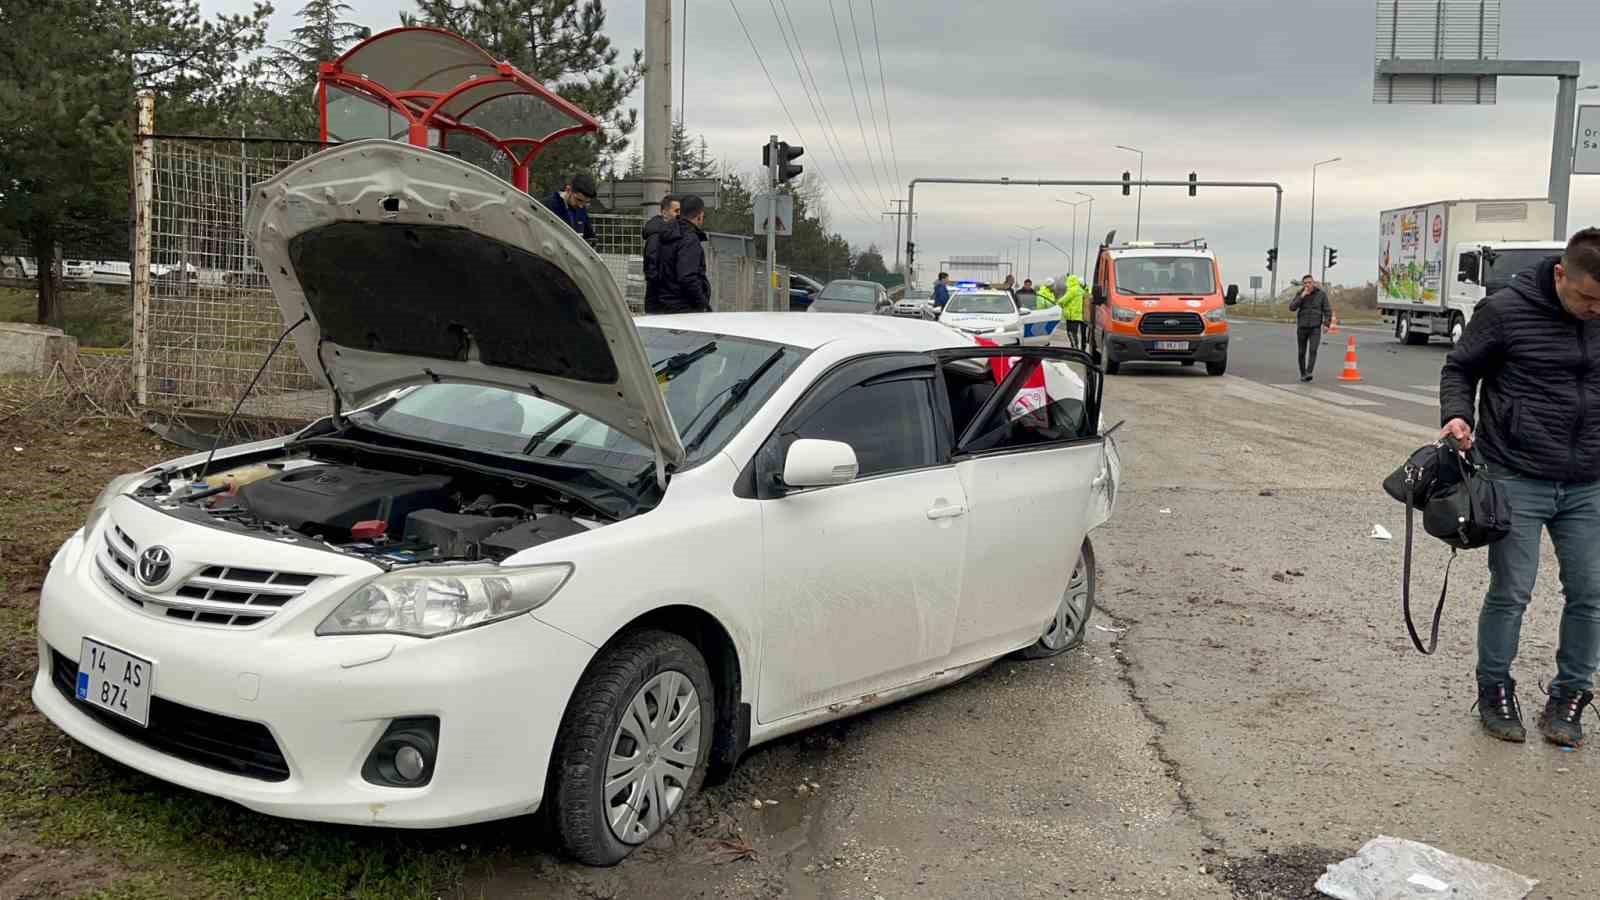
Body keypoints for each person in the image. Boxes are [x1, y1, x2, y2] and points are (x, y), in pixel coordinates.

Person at [1440, 227, 1600, 748]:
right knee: (1512, 590)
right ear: (1561, 274)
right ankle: (1494, 690)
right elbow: (1460, 368)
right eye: (1587, 298)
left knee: (1591, 593)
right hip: (1516, 473)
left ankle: (1571, 695)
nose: (1595, 310)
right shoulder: (1505, 311)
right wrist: (1458, 415)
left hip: (1589, 482)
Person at [655, 194, 711, 313]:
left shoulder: (667, 234)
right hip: (684, 309)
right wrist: (703, 305)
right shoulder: (689, 239)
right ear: (700, 216)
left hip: (664, 304)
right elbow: (688, 277)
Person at [642, 194, 680, 314]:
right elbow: (651, 269)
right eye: (676, 211)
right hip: (658, 302)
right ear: (664, 213)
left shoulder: (669, 233)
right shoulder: (656, 236)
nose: (679, 215)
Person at [1288, 275, 1332, 382]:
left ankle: (1309, 372)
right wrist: (1301, 296)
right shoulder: (1300, 294)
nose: (1307, 285)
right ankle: (1303, 373)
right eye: (1305, 283)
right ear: (1303, 284)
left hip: (1315, 327)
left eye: (1309, 282)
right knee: (1301, 352)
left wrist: (1326, 324)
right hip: (1302, 327)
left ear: (1313, 283)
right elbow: (1292, 308)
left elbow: (1327, 310)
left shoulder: (1321, 294)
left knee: (1313, 350)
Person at [541, 172, 598, 244]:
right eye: (578, 200)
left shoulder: (581, 208)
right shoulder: (547, 205)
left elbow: (590, 236)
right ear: (568, 189)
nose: (581, 206)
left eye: (586, 202)